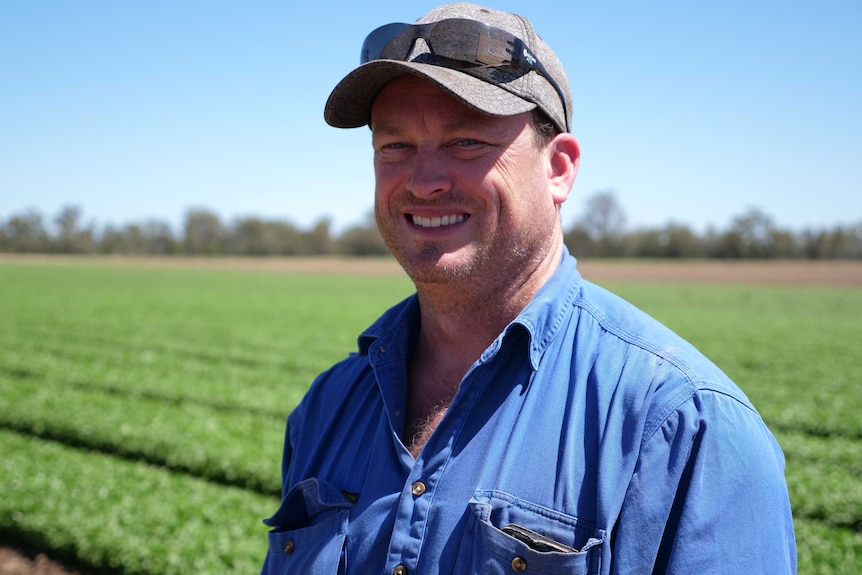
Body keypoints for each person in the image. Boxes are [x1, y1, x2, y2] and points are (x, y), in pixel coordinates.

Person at [260, 3, 797, 574]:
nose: (423, 180)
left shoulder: (683, 427)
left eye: (466, 141)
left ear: (559, 168)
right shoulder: (328, 405)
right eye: (395, 146)